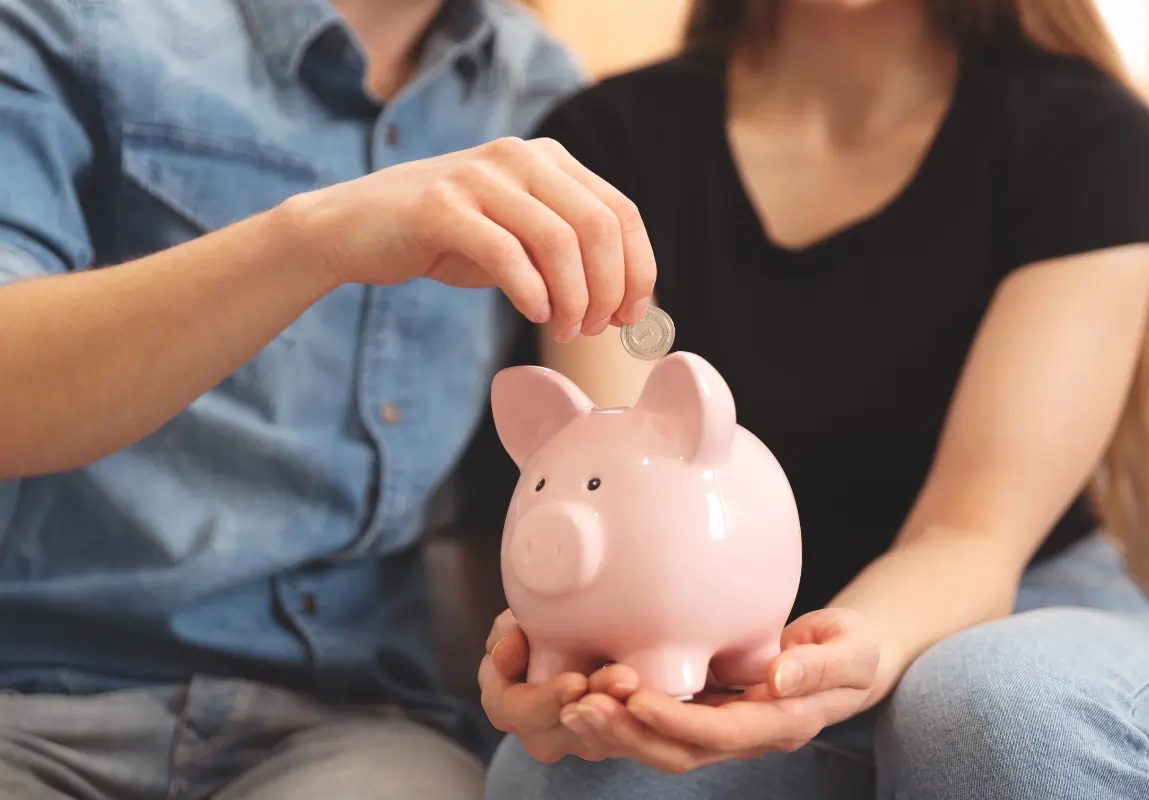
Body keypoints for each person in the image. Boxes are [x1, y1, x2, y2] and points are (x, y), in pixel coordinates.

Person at [480, 0, 1149, 797]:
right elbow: (606, 496)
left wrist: (819, 664)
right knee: (588, 771)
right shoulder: (610, 139)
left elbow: (972, 535)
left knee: (995, 704)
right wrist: (574, 655)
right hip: (717, 642)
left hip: (1025, 607)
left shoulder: (1086, 135)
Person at [0, 0, 658, 797]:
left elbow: (598, 442)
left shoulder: (542, 92)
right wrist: (316, 240)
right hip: (33, 695)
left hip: (356, 729)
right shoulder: (78, 22)